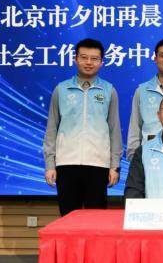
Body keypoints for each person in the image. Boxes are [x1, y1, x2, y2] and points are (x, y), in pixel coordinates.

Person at [43, 38, 123, 216]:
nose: (89, 62)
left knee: (96, 219)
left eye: (94, 59)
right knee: (68, 218)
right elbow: (52, 129)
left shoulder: (109, 91)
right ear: (75, 59)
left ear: (101, 62)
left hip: (98, 164)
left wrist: (114, 166)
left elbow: (114, 130)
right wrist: (50, 165)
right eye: (84, 57)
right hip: (66, 164)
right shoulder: (61, 90)